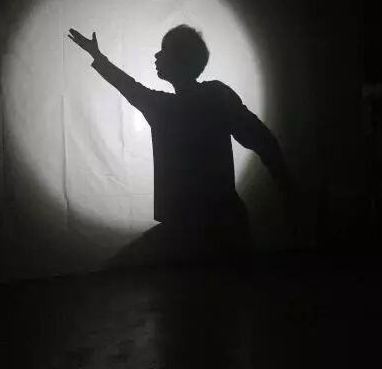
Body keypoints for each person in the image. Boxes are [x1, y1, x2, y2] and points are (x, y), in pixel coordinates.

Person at [68, 25, 292, 263]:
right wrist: (288, 190)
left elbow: (129, 86)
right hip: (218, 226)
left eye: (164, 50)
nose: (157, 55)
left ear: (180, 59)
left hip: (200, 233)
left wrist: (98, 57)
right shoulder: (213, 97)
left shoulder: (170, 106)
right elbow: (263, 140)